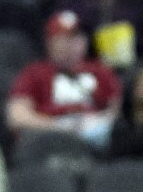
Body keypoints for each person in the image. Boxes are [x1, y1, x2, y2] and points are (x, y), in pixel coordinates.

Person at [7, 10, 122, 149]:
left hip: (93, 133)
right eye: (63, 39)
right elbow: (16, 117)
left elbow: (115, 111)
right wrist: (60, 127)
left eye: (76, 37)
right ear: (49, 42)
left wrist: (97, 122)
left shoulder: (101, 71)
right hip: (50, 135)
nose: (71, 44)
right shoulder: (34, 73)